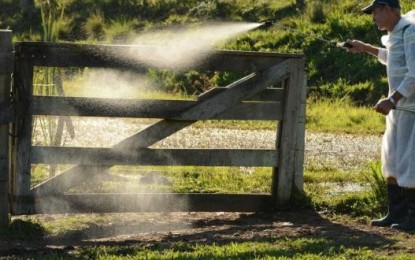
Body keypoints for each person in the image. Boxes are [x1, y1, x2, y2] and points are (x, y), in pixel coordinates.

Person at [346, 0, 415, 231]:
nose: (373, 17)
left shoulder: (411, 31)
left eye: (375, 12)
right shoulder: (399, 33)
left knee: (410, 160)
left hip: (410, 109)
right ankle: (395, 213)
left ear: (387, 8)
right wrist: (365, 48)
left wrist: (392, 99)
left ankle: (412, 217)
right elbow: (394, 59)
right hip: (397, 110)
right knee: (393, 159)